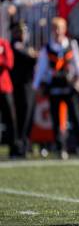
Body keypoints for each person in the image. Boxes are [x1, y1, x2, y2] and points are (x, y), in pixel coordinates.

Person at [32, 17, 79, 159]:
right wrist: (37, 85)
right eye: (55, 28)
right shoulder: (47, 48)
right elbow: (41, 68)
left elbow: (78, 63)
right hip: (54, 86)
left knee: (76, 117)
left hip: (69, 86)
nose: (58, 31)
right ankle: (60, 148)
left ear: (65, 29)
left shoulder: (71, 45)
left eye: (60, 28)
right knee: (56, 119)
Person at [10, 21, 37, 153]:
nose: (23, 34)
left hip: (29, 84)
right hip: (20, 85)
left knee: (29, 115)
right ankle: (19, 144)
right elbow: (30, 57)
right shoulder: (16, 45)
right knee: (22, 116)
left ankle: (25, 144)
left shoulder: (26, 45)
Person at [0, 36, 23, 158]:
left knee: (10, 120)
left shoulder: (3, 43)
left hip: (4, 88)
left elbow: (9, 63)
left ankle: (14, 148)